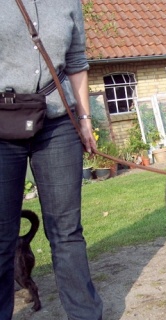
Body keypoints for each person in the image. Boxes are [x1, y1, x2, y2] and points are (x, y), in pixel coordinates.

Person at [0, 1, 103, 319]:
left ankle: (85, 314)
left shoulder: (68, 1)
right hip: (2, 125)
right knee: (2, 235)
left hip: (58, 123)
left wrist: (84, 118)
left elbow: (76, 61)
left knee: (67, 231)